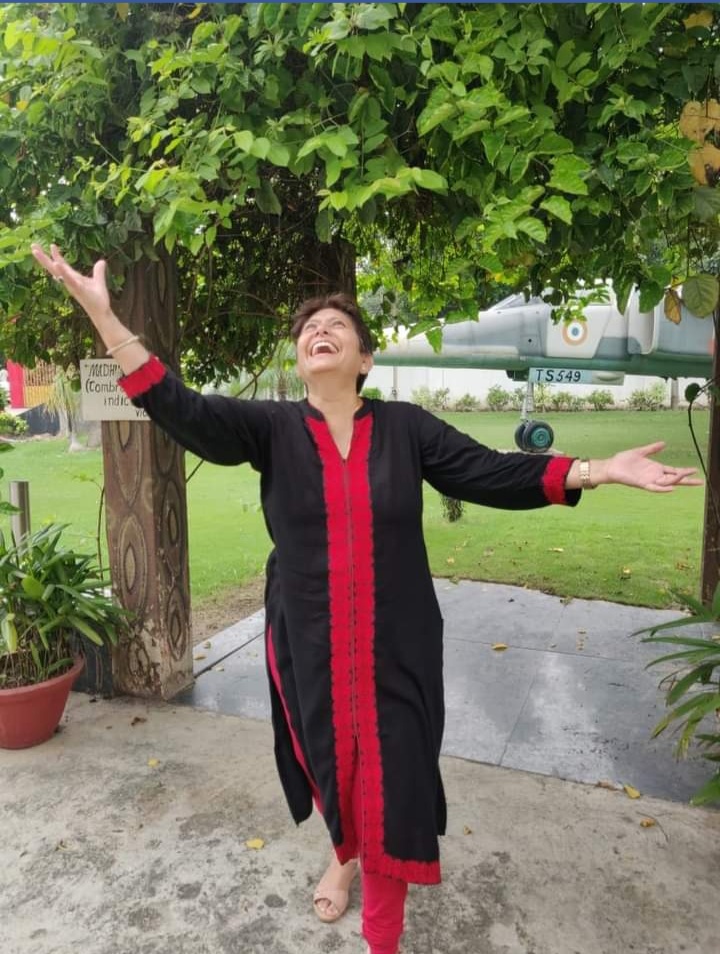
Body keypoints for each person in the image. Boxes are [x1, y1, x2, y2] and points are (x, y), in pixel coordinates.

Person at [31, 243, 702, 954]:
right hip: (308, 643)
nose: (320, 330)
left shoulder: (407, 428)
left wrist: (598, 470)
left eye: (338, 326)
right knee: (330, 769)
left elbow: (489, 472)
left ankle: (382, 934)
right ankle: (343, 853)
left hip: (397, 647)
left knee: (393, 791)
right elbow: (180, 407)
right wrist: (104, 317)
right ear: (300, 359)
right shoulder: (271, 429)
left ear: (365, 359)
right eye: (309, 328)